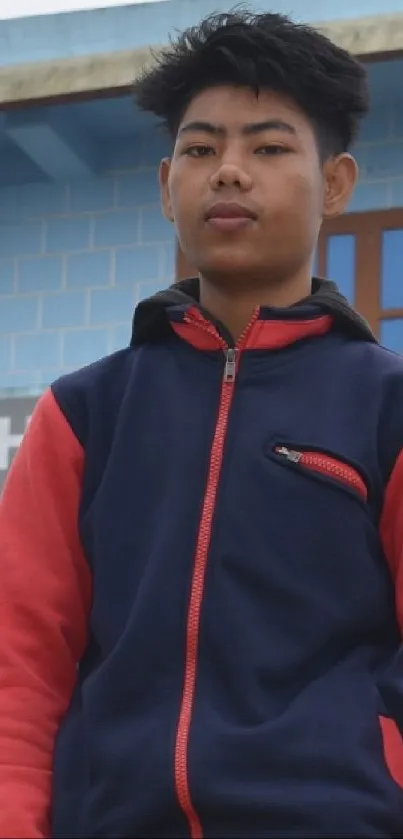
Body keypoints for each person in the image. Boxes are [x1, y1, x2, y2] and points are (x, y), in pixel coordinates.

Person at [2, 9, 403, 838]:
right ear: (164, 185)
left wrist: (374, 769)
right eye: (199, 148)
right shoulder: (83, 413)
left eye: (267, 147)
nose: (227, 172)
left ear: (333, 183)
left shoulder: (385, 406)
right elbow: (20, 660)